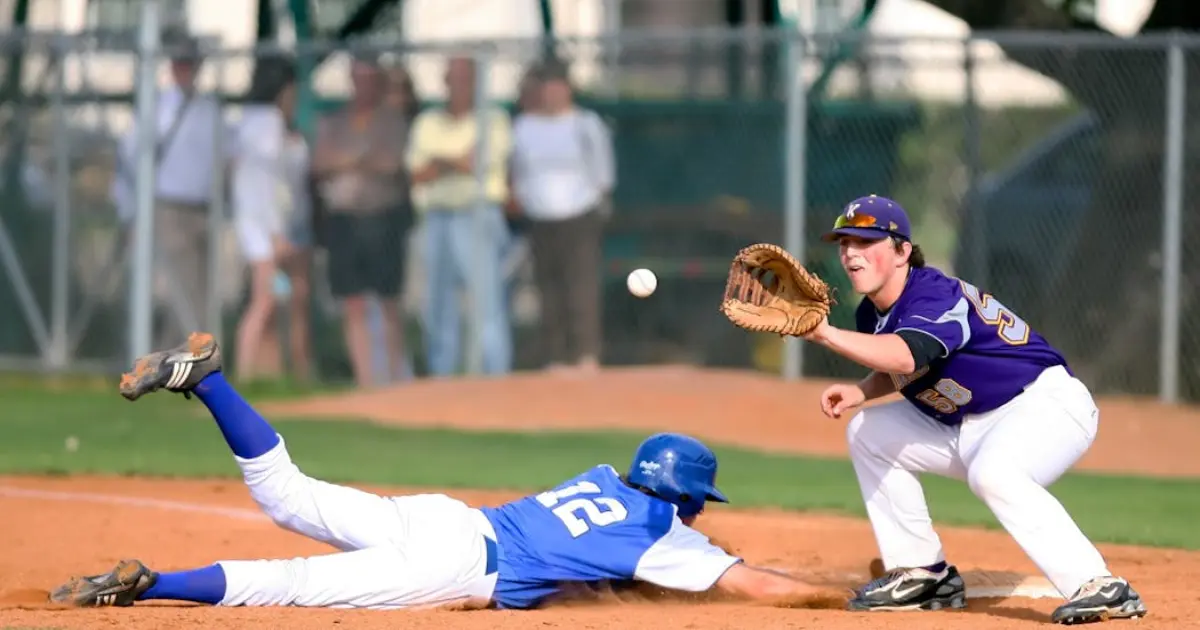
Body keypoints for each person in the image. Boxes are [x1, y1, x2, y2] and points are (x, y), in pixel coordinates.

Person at [47, 333, 838, 611]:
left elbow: (598, 563)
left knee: (286, 495)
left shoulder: (603, 477)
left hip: (446, 517)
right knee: (288, 582)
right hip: (456, 563)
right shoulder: (663, 537)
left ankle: (208, 379)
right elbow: (754, 586)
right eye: (697, 505)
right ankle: (150, 586)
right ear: (686, 500)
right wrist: (844, 597)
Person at [800, 195, 1148, 624]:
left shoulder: (934, 295)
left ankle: (1100, 585)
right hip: (969, 423)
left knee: (995, 473)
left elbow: (910, 354)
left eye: (865, 241)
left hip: (1044, 405)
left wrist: (824, 335)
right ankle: (923, 575)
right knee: (868, 431)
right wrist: (863, 391)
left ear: (902, 251)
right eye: (844, 242)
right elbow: (909, 365)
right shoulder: (871, 313)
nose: (851, 252)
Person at [406, 56, 513, 377]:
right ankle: (442, 378)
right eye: (452, 78)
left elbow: (476, 164)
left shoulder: (493, 119)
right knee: (438, 304)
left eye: (465, 78)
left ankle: (494, 376)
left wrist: (440, 162)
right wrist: (454, 161)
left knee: (486, 302)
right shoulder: (427, 122)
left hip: (477, 214)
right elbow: (418, 173)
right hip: (437, 216)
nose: (458, 84)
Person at [310, 54, 412, 388]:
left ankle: (395, 378)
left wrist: (346, 160)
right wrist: (360, 157)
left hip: (382, 219)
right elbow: (320, 163)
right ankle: (366, 380)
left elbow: (390, 163)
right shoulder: (335, 120)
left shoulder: (392, 121)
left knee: (388, 301)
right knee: (352, 301)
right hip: (344, 222)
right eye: (359, 79)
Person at [509, 60, 614, 375]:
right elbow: (516, 171)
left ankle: (585, 354)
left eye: (558, 87)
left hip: (579, 214)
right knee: (547, 287)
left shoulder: (586, 124)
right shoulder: (524, 126)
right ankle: (555, 357)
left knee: (580, 286)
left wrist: (592, 202)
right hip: (539, 216)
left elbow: (602, 172)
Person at [230, 54, 313, 383]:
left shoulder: (253, 123)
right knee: (265, 301)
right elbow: (268, 186)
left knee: (280, 299)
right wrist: (277, 233)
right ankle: (246, 373)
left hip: (267, 225)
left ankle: (273, 373)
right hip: (265, 229)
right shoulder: (266, 125)